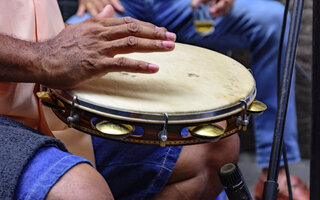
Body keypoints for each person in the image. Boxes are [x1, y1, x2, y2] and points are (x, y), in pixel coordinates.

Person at [62, 0, 310, 199]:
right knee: (64, 40)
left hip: (186, 5)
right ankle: (68, 166)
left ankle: (275, 172)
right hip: (121, 4)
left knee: (274, 20)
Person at [0, 1, 239, 199]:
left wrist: (67, 38)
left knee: (211, 143)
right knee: (80, 192)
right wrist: (44, 56)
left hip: (42, 92)